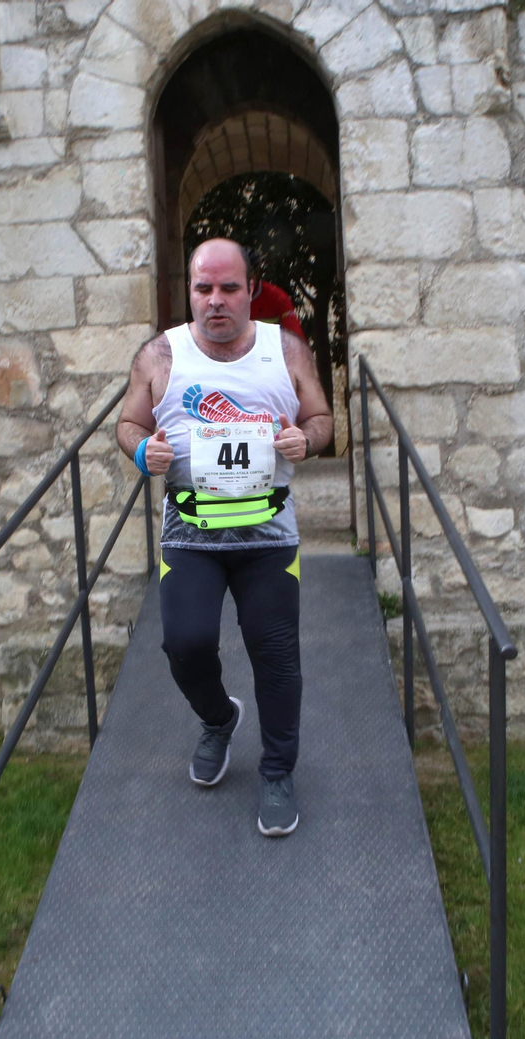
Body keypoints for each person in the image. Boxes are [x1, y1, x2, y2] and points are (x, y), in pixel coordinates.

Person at [116, 238, 333, 837]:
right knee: (183, 645)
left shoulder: (285, 349)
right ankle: (218, 719)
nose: (215, 301)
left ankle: (277, 771)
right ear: (190, 291)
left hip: (267, 535)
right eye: (202, 288)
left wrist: (305, 441)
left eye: (229, 288)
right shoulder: (160, 354)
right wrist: (143, 450)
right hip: (191, 532)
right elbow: (129, 422)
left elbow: (321, 419)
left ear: (251, 290)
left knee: (276, 657)